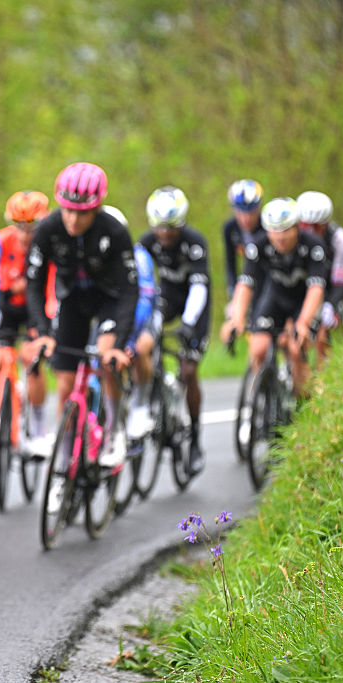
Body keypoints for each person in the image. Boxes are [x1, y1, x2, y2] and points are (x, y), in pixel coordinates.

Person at [26, 162, 138, 472]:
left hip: (109, 301)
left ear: (97, 207)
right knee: (64, 385)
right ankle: (64, 465)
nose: (73, 219)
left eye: (83, 212)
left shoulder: (114, 231)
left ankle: (115, 430)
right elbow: (34, 283)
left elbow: (130, 290)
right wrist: (43, 332)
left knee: (105, 359)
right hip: (72, 300)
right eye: (68, 210)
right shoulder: (48, 228)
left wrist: (120, 343)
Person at [132, 186, 211, 472]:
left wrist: (189, 324)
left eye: (171, 228)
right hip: (165, 299)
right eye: (160, 228)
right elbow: (139, 285)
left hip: (194, 299)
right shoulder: (146, 242)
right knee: (144, 342)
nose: (164, 234)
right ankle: (150, 394)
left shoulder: (195, 242)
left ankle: (195, 438)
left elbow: (200, 287)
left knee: (189, 371)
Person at [220, 197, 327, 399]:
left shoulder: (314, 246)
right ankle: (261, 402)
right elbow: (245, 284)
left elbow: (316, 289)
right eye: (274, 231)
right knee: (258, 347)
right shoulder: (258, 246)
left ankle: (303, 405)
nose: (280, 237)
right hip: (275, 299)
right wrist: (236, 318)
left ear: (296, 228)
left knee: (296, 349)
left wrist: (303, 323)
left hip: (303, 302)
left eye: (286, 230)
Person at [0, 190, 54, 458]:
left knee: (33, 358)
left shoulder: (49, 244)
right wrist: (12, 286)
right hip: (8, 308)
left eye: (32, 228)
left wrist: (44, 327)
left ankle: (38, 425)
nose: (25, 235)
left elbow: (51, 288)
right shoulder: (1, 241)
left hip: (37, 309)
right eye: (20, 227)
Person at [295, 190, 343, 366]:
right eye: (305, 226)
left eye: (317, 227)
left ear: (326, 224)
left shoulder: (338, 238)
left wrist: (331, 305)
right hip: (304, 288)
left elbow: (341, 279)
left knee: (321, 337)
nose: (311, 232)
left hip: (329, 290)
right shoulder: (293, 236)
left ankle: (322, 381)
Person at [221, 179, 267, 339]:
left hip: (268, 278)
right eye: (241, 212)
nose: (246, 218)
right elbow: (231, 265)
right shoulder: (230, 229)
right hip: (247, 280)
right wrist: (234, 296)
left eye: (251, 212)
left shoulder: (268, 227)